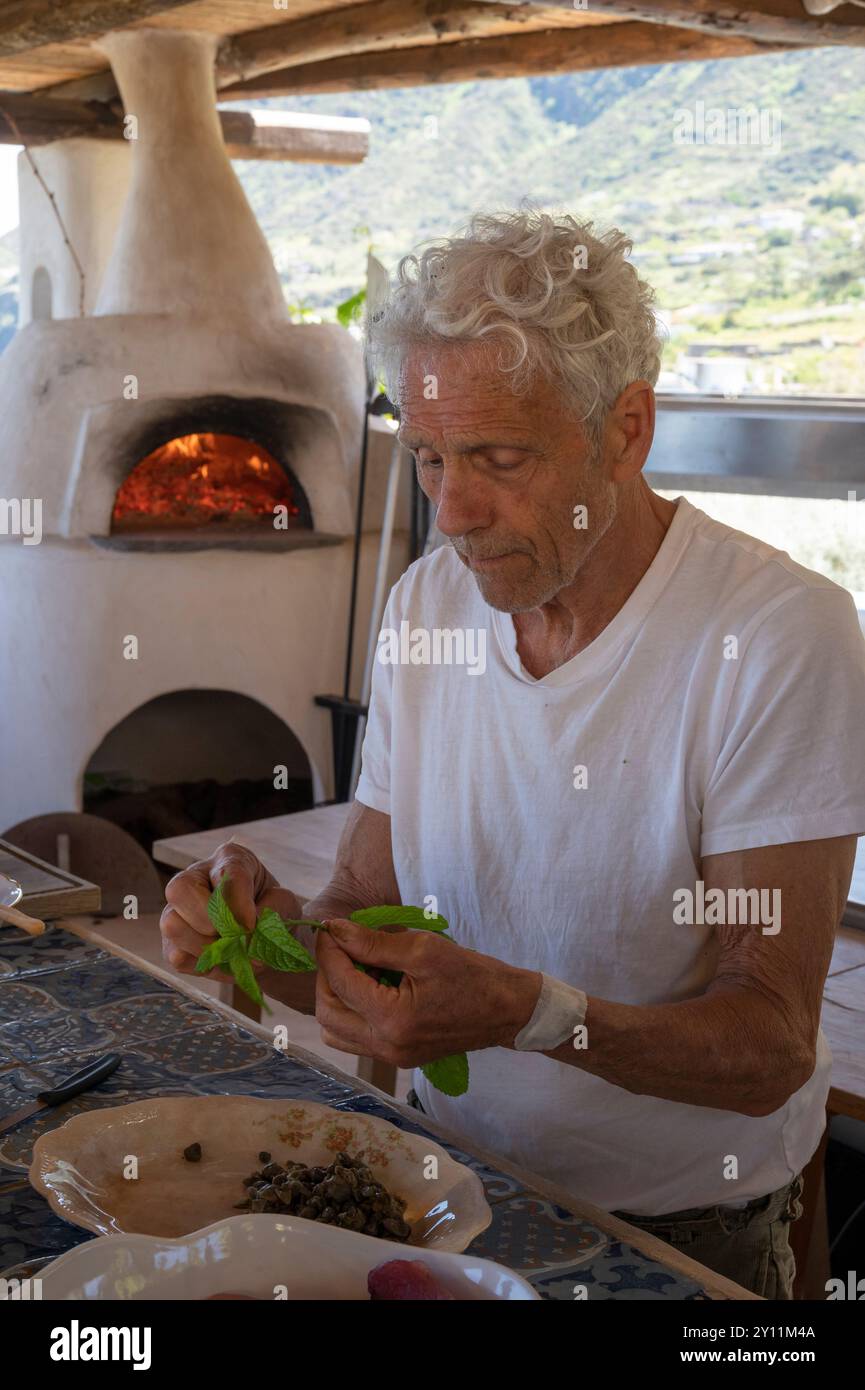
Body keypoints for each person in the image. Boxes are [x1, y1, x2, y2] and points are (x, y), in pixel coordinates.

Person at [160, 210, 865, 1298]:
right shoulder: (430, 605)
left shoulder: (774, 633)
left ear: (625, 429)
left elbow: (768, 1040)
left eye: (498, 457)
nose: (451, 511)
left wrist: (533, 1014)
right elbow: (360, 910)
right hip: (444, 1186)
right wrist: (256, 935)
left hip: (676, 1232)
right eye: (430, 457)